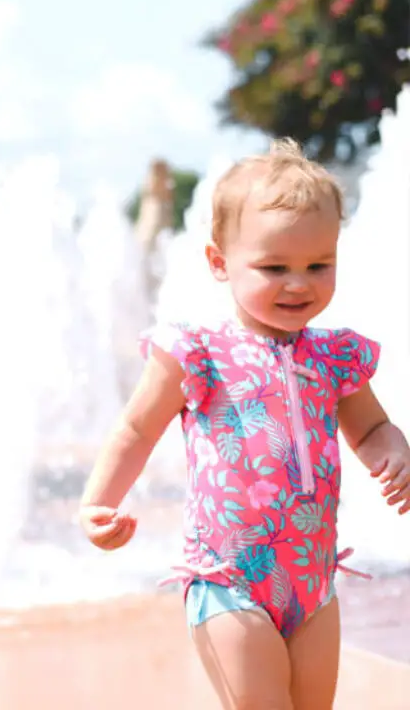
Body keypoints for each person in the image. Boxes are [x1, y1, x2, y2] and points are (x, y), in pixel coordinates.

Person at [79, 139, 409, 709]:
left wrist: (395, 452)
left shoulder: (335, 357)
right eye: (273, 267)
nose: (298, 283)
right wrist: (97, 502)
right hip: (227, 580)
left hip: (314, 583)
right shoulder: (198, 352)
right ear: (218, 263)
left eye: (318, 265)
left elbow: (371, 427)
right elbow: (136, 429)